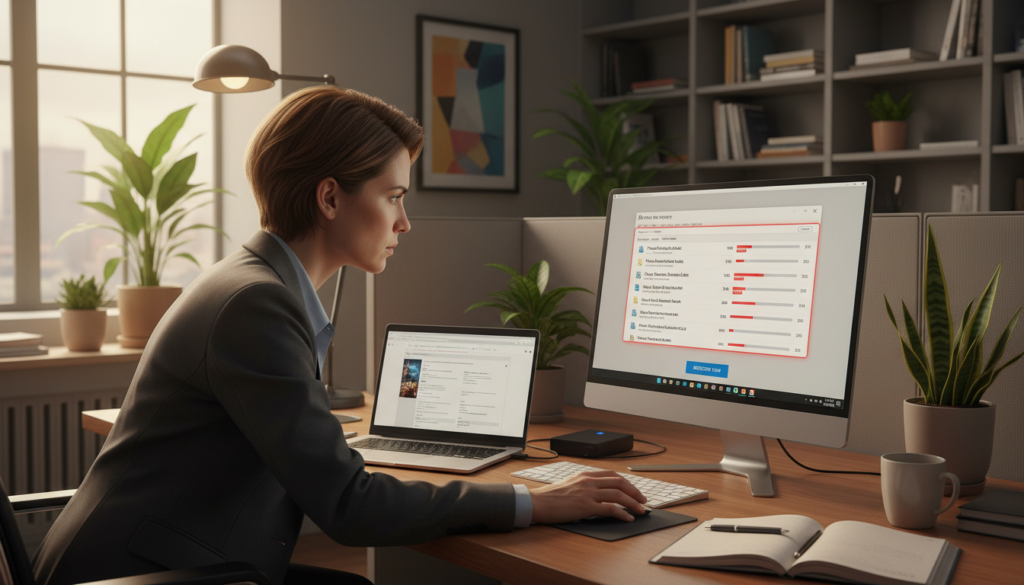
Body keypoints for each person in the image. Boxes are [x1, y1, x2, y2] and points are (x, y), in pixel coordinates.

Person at [32, 86, 646, 585]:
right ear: (330, 197)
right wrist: (536, 500)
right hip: (141, 574)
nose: (405, 222)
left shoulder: (249, 281)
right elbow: (350, 507)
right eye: (394, 197)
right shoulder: (256, 304)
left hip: (167, 553)